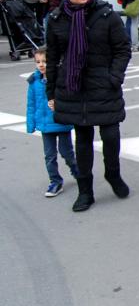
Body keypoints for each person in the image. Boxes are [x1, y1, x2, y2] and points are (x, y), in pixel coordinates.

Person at [45, 0, 132, 212]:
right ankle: (85, 191)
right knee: (82, 141)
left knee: (111, 136)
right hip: (73, 87)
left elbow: (123, 49)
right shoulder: (55, 19)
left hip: (103, 85)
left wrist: (114, 77)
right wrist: (50, 90)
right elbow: (52, 57)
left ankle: (113, 175)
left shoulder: (105, 14)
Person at [26, 48, 78, 198]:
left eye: (45, 61)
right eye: (38, 62)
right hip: (45, 125)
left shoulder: (60, 79)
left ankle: (76, 170)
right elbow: (31, 104)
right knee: (49, 156)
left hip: (61, 122)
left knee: (66, 153)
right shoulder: (34, 81)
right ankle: (55, 181)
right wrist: (31, 124)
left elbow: (70, 98)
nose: (41, 65)